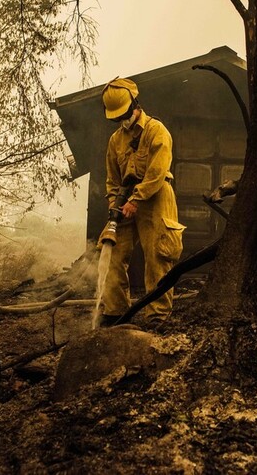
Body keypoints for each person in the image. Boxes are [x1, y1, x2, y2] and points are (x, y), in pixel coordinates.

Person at [98, 77, 185, 328]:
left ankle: (157, 317)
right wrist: (115, 203)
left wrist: (136, 200)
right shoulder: (115, 141)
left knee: (159, 254)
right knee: (112, 251)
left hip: (155, 196)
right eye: (116, 117)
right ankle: (115, 313)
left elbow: (157, 172)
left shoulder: (157, 131)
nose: (121, 120)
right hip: (125, 201)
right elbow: (112, 179)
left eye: (123, 114)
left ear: (134, 104)